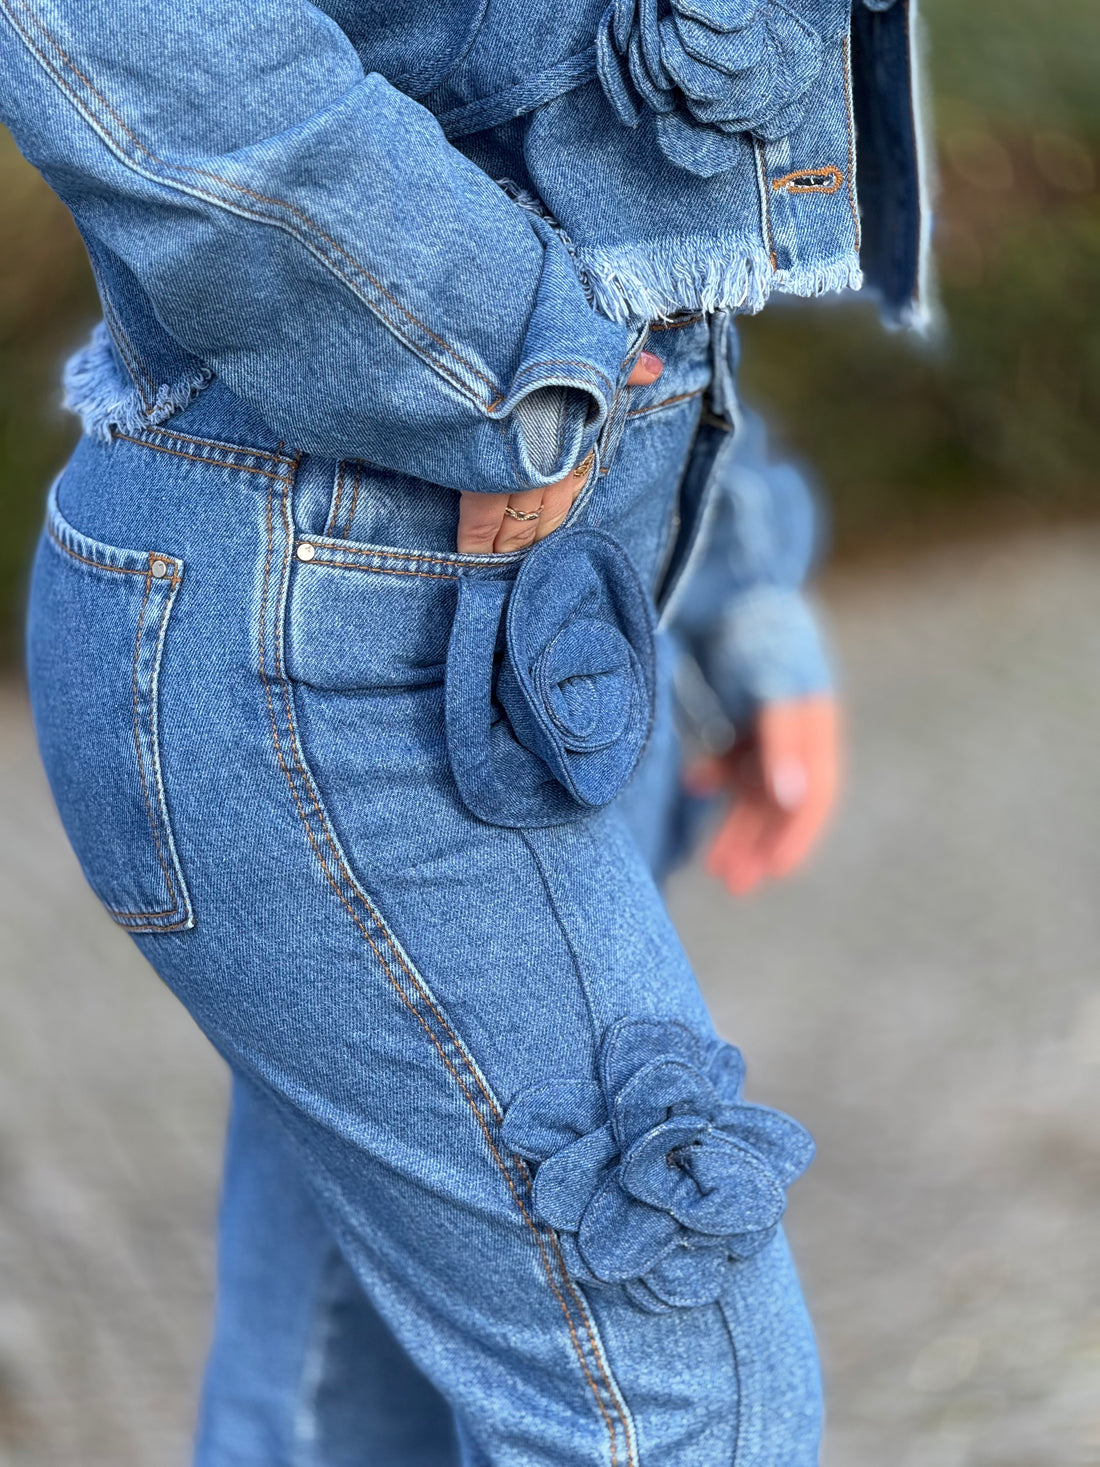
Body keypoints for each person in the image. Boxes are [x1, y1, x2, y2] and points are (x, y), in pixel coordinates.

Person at [1, 0, 929, 1461]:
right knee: (684, 1407)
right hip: (342, 590)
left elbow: (626, 185)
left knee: (356, 1387)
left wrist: (733, 578)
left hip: (556, 569)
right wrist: (505, 368)